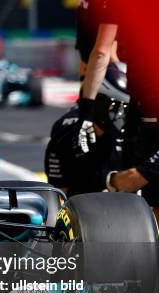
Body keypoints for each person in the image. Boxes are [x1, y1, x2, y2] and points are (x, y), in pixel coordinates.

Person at [79, 1, 159, 293]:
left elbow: (102, 52)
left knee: (153, 196)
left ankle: (154, 284)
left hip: (153, 110)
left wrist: (86, 107)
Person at [45, 62, 129, 196]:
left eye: (126, 110)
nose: (122, 116)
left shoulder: (131, 133)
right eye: (117, 109)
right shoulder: (66, 132)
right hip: (79, 209)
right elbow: (59, 195)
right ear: (101, 103)